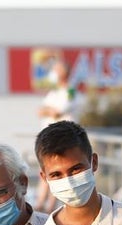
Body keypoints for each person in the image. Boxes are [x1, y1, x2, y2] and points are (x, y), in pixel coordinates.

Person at [34, 60, 80, 213]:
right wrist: (48, 110)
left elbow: (58, 111)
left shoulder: (70, 91)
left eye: (56, 69)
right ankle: (40, 203)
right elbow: (41, 111)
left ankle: (50, 206)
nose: (53, 72)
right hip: (47, 138)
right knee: (45, 169)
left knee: (58, 170)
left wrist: (49, 110)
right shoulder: (53, 93)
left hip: (63, 138)